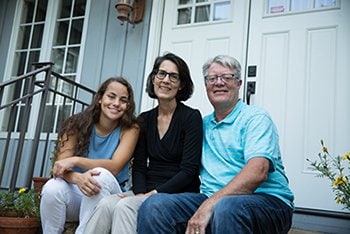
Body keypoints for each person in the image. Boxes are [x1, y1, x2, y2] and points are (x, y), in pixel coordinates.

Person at [137, 55, 295, 234]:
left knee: (227, 208)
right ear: (206, 86)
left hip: (266, 202)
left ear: (239, 83)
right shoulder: (201, 125)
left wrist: (211, 204)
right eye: (212, 78)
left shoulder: (256, 118)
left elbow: (258, 171)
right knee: (155, 206)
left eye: (227, 77)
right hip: (212, 200)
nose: (219, 83)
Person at [83, 52, 203, 234]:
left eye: (173, 76)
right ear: (154, 79)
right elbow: (139, 166)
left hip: (177, 194)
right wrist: (140, 194)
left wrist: (150, 195)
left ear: (181, 85)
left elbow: (189, 171)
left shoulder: (191, 117)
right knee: (107, 204)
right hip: (146, 192)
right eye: (161, 74)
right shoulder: (144, 120)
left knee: (125, 207)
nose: (166, 80)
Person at [40, 77, 140, 234]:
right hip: (77, 191)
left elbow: (115, 167)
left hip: (110, 195)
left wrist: (76, 160)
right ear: (100, 98)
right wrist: (77, 178)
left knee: (99, 176)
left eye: (123, 100)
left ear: (127, 106)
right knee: (52, 188)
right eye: (111, 96)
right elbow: (59, 166)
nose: (116, 103)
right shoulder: (76, 124)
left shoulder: (130, 128)